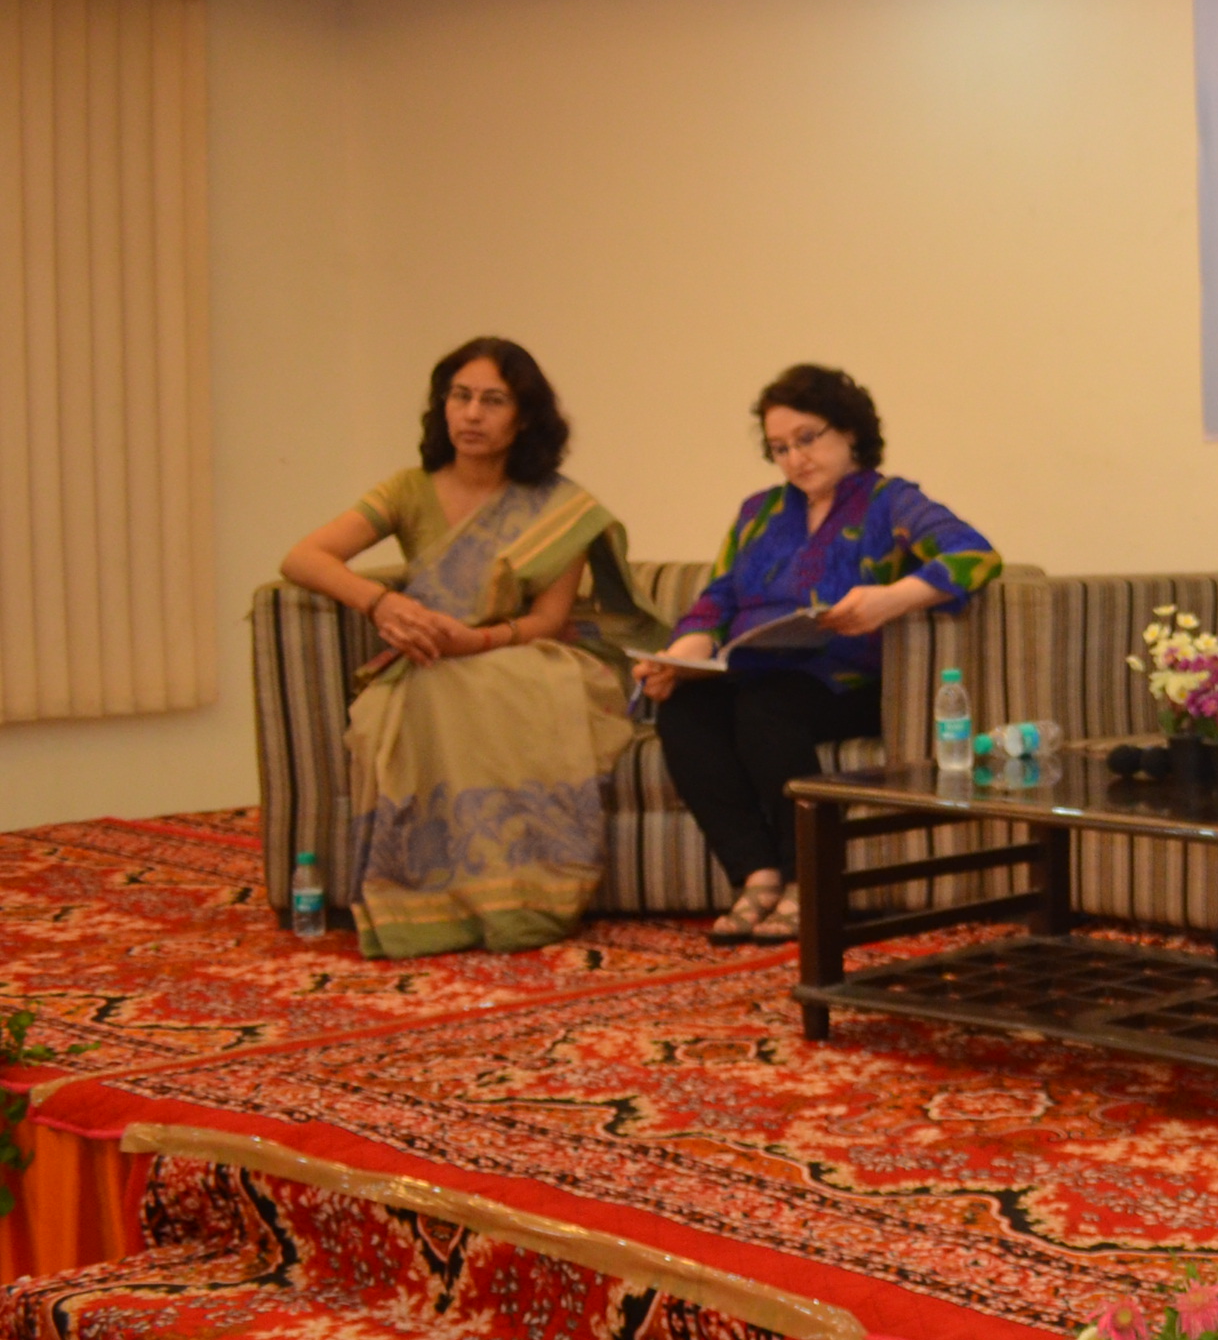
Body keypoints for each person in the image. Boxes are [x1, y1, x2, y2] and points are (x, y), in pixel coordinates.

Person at [279, 338, 653, 958]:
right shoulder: (408, 490)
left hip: (523, 653)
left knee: (471, 684)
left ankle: (522, 905)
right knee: (411, 699)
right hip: (431, 656)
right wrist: (381, 604)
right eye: (461, 396)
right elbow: (303, 557)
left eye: (493, 401)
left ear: (524, 418)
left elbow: (548, 620)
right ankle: (431, 910)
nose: (472, 414)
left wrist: (473, 641)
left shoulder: (561, 509)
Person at [631, 364, 1000, 945]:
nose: (795, 458)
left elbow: (974, 556)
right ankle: (756, 873)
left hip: (845, 680)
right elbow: (718, 597)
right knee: (684, 708)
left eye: (807, 438)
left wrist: (890, 599)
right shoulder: (759, 512)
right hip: (756, 669)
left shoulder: (889, 502)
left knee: (766, 708)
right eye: (780, 448)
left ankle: (808, 879)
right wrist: (682, 655)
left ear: (849, 431)